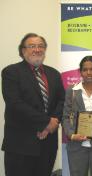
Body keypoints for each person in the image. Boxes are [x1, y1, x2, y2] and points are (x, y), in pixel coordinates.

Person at [1, 33, 65, 176]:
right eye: (32, 46)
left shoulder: (54, 73)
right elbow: (15, 104)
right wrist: (45, 122)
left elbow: (62, 101)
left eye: (41, 46)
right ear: (23, 51)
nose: (37, 49)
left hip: (48, 144)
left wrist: (51, 125)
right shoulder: (11, 72)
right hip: (21, 145)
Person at [62, 56, 92, 176]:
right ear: (80, 72)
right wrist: (71, 135)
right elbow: (66, 116)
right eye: (85, 69)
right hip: (76, 146)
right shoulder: (72, 91)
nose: (88, 72)